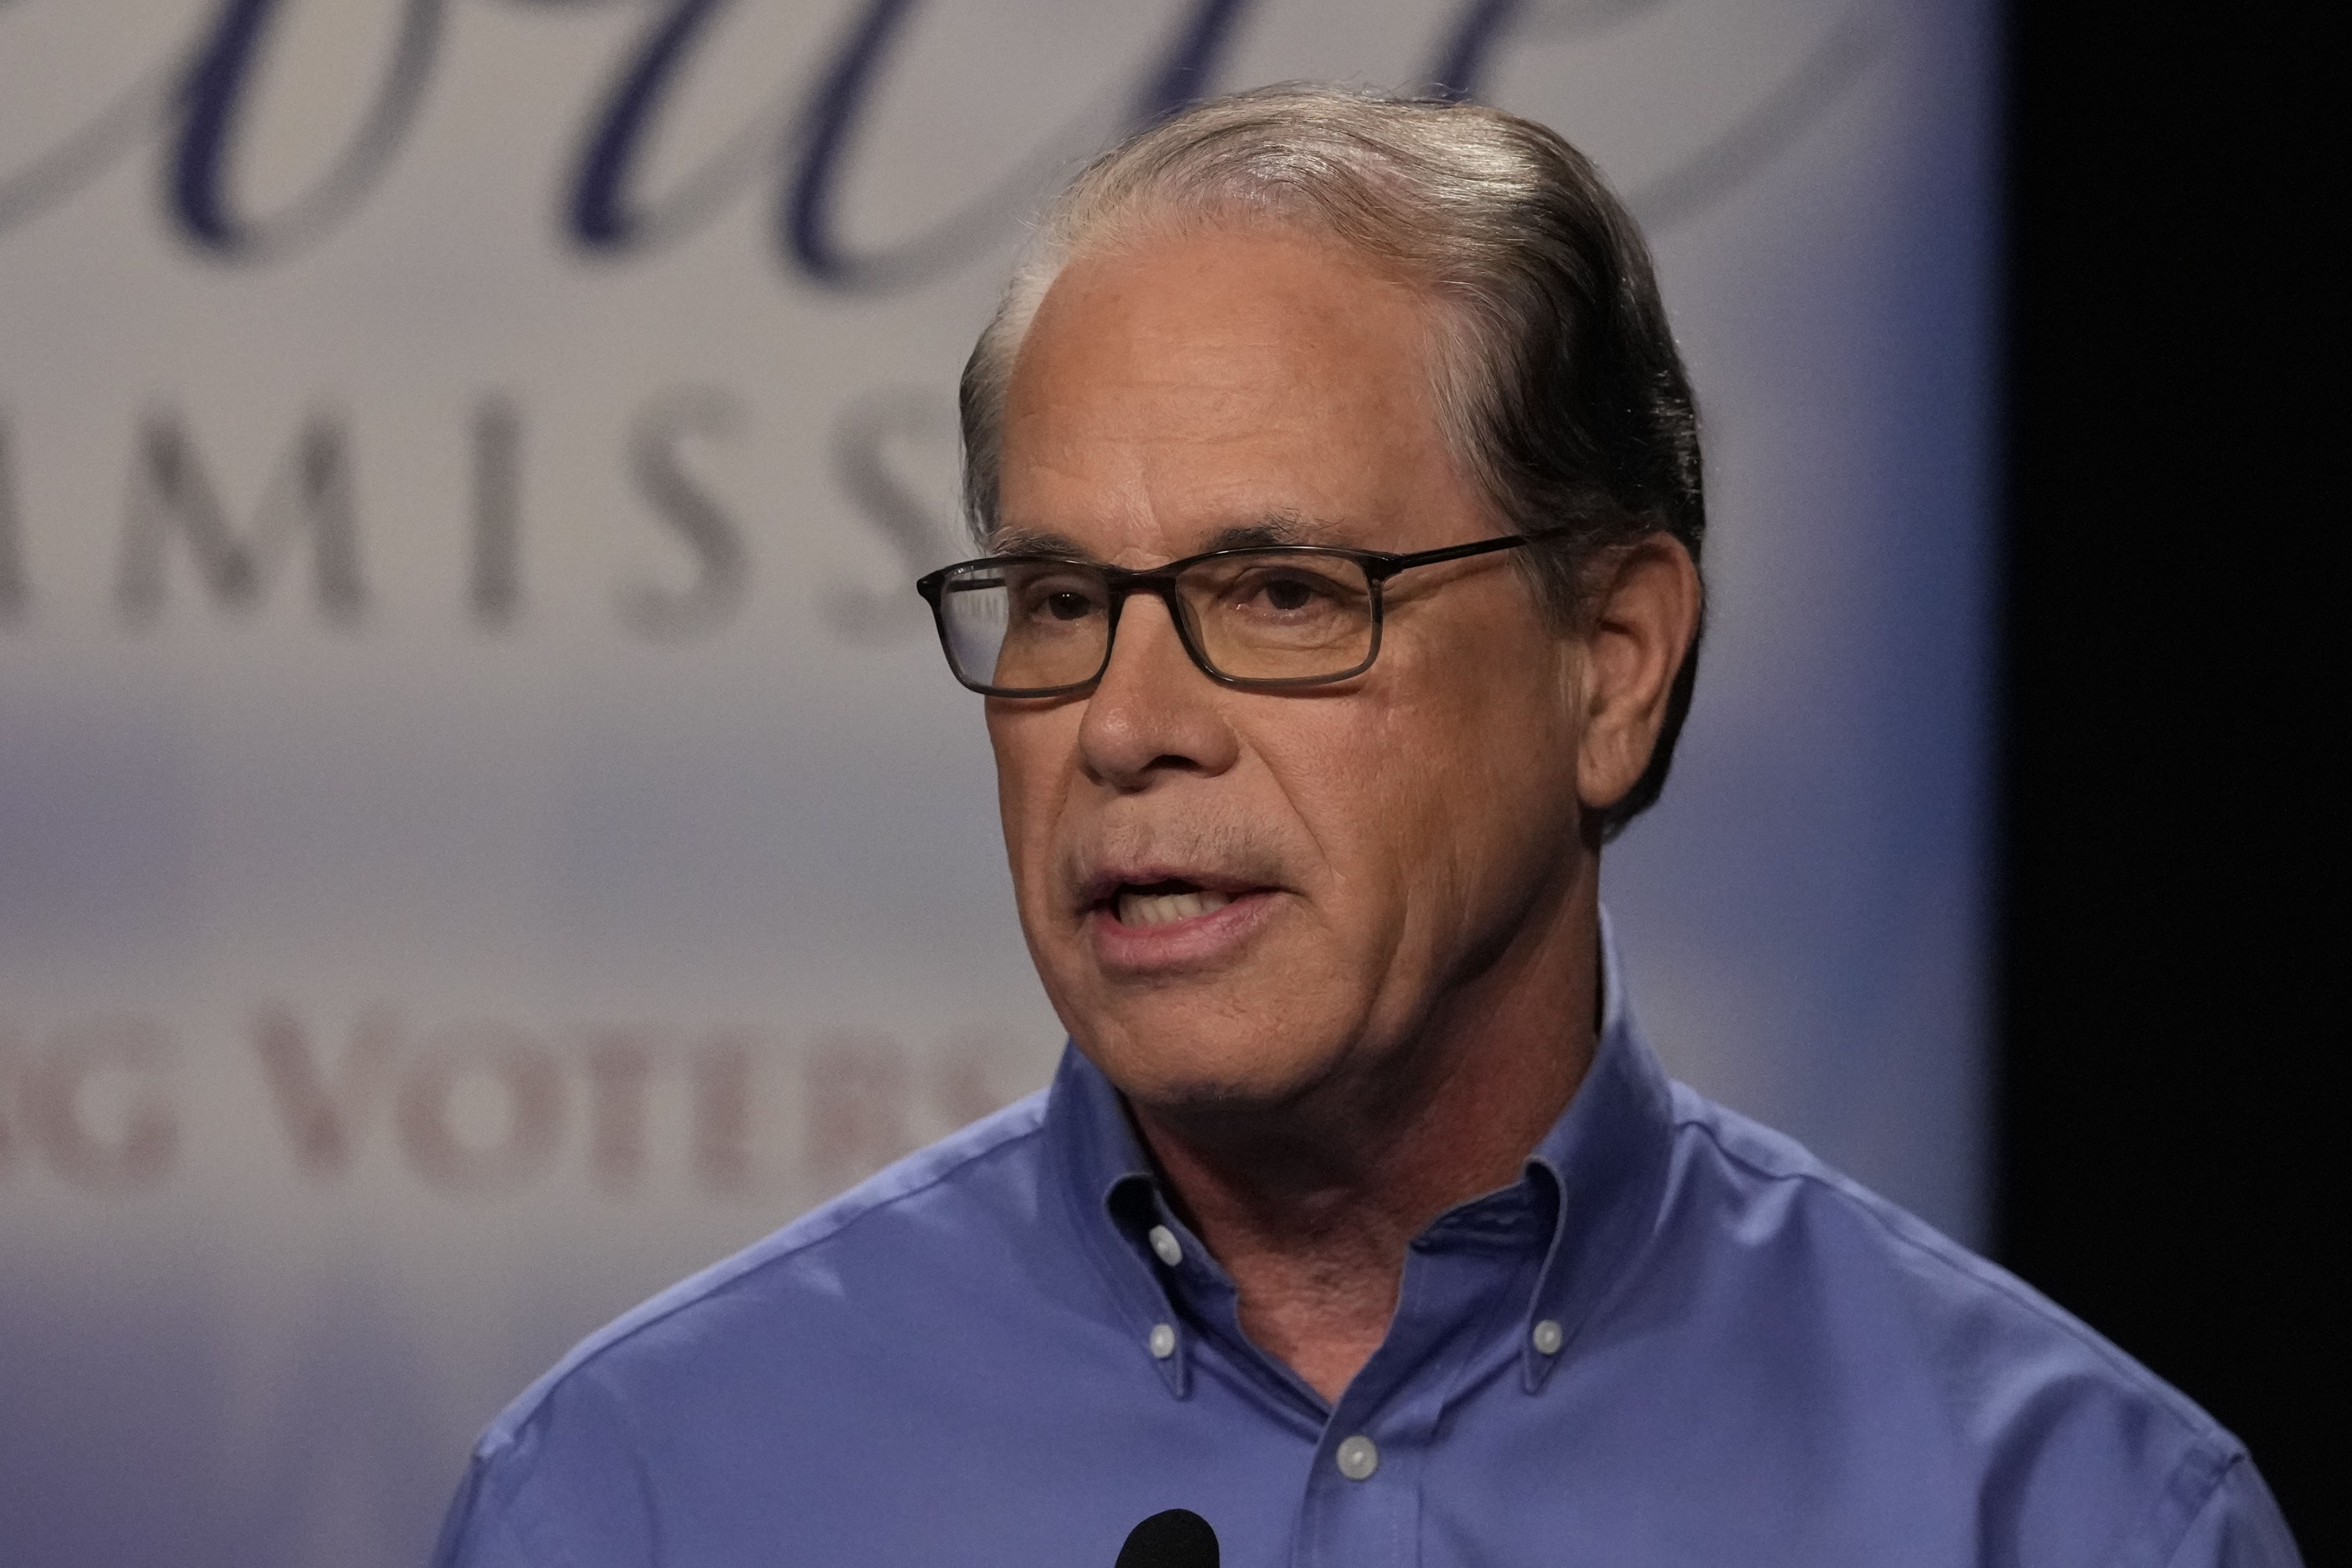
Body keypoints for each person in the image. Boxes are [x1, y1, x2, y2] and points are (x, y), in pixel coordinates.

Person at [434, 87, 2300, 1567]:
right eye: (1064, 601)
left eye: (1286, 595)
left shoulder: (2066, 1517)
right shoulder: (641, 1496)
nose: (1127, 728)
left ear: (1614, 663)